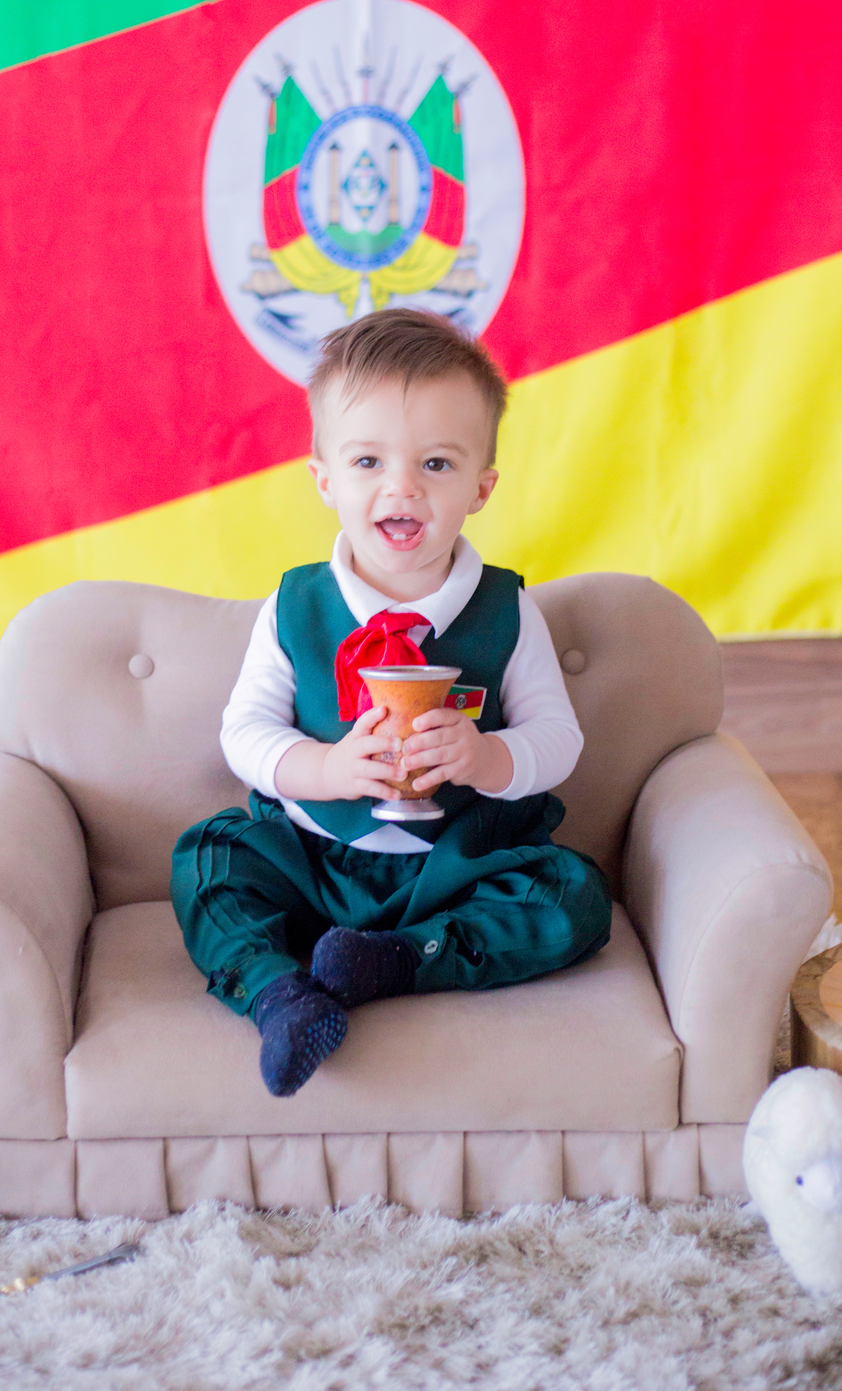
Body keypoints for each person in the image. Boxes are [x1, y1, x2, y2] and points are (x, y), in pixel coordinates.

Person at [171, 307, 611, 1096]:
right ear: (325, 479)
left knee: (572, 896)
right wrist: (325, 768)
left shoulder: (508, 613)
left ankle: (399, 961)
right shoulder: (295, 607)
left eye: (436, 465)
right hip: (312, 857)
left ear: (482, 487)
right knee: (209, 861)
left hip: (455, 865)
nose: (401, 486)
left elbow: (559, 738)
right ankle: (280, 996)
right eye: (368, 460)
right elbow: (245, 732)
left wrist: (489, 756)